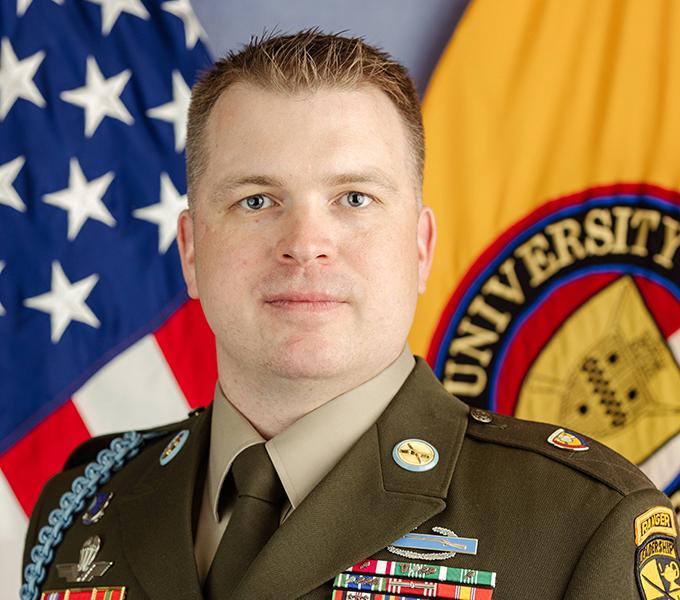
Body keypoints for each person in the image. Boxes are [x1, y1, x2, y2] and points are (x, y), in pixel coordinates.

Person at [22, 30, 678, 600]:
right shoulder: (83, 508)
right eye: (256, 201)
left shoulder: (583, 522)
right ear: (191, 251)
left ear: (421, 248)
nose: (306, 242)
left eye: (355, 198)